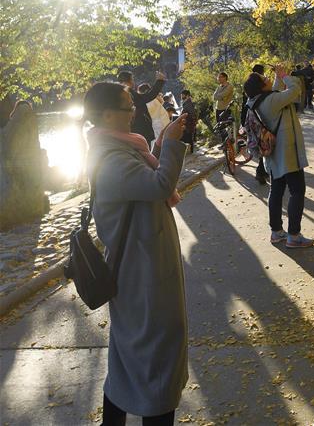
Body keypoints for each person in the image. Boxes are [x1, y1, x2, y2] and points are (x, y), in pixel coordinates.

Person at [84, 81, 189, 426]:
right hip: (142, 278)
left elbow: (147, 179)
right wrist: (172, 145)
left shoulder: (121, 150)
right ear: (106, 114)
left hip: (143, 270)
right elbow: (159, 185)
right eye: (128, 107)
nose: (134, 113)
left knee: (130, 358)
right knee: (155, 360)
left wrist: (160, 144)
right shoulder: (111, 159)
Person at [244, 65, 314, 248]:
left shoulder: (257, 100)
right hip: (287, 153)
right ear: (261, 87)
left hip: (272, 155)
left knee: (276, 191)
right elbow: (295, 91)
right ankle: (294, 235)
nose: (267, 78)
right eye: (264, 78)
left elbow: (273, 91)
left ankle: (276, 232)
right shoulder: (272, 101)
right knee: (297, 192)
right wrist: (285, 76)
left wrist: (277, 77)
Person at [118, 71, 165, 146]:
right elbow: (148, 96)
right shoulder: (128, 93)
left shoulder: (119, 93)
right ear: (129, 80)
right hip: (138, 131)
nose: (133, 82)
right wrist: (159, 81)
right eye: (132, 79)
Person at [241, 65, 269, 185]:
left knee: (260, 146)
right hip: (261, 120)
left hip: (250, 118)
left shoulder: (248, 83)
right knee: (264, 146)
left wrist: (243, 122)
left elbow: (244, 105)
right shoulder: (261, 84)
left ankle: (261, 172)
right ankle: (261, 172)